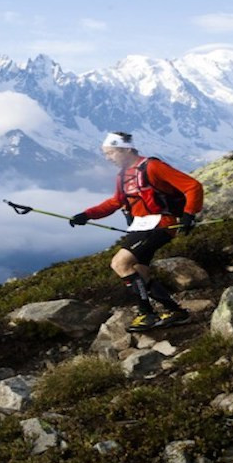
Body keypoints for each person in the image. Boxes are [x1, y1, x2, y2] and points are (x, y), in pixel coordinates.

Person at [69, 132, 204, 332]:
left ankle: (146, 314)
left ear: (126, 149)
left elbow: (192, 186)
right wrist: (87, 215)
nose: (108, 158)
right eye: (106, 154)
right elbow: (116, 202)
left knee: (120, 263)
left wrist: (188, 214)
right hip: (140, 226)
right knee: (140, 271)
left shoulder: (153, 166)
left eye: (111, 153)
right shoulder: (123, 175)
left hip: (160, 224)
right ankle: (175, 312)